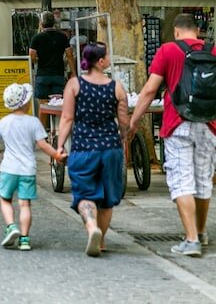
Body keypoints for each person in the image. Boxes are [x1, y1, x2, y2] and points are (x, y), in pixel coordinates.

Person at [129, 13, 216, 256]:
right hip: (209, 125)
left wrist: (135, 121)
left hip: (178, 124)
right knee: (203, 180)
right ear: (197, 31)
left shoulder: (168, 50)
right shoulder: (213, 51)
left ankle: (190, 240)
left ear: (177, 31)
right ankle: (200, 232)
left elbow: (149, 90)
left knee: (182, 181)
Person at [0, 83, 60, 251]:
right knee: (25, 204)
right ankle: (24, 239)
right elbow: (43, 145)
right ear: (27, 103)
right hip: (28, 169)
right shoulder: (34, 122)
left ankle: (11, 226)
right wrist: (57, 155)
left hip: (8, 168)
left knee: (5, 199)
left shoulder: (4, 122)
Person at [56, 42, 128, 257]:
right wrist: (123, 138)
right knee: (106, 199)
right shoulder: (116, 87)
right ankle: (102, 240)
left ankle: (91, 228)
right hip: (110, 148)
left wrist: (59, 145)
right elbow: (123, 121)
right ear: (101, 61)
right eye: (107, 56)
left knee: (85, 193)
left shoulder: (74, 85)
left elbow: (67, 118)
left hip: (83, 148)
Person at [29, 11, 76, 123]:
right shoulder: (62, 37)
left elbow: (32, 56)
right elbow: (69, 55)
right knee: (58, 106)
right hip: (58, 75)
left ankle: (42, 134)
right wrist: (73, 72)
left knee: (43, 106)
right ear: (54, 23)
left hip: (43, 76)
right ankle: (58, 132)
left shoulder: (37, 38)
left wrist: (37, 60)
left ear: (41, 23)